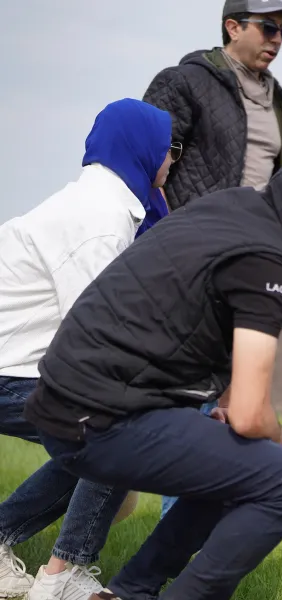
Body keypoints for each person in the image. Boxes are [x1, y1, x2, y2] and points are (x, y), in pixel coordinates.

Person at [23, 132, 282, 600]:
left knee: (240, 462)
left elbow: (216, 354)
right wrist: (272, 433)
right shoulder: (265, 257)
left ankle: (129, 592)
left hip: (68, 404)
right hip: (100, 417)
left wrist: (238, 417)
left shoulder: (235, 211)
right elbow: (252, 415)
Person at [0, 98, 176, 599]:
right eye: (170, 150)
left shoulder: (102, 202)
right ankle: (65, 575)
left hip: (18, 363)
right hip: (8, 370)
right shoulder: (99, 220)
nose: (172, 161)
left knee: (97, 439)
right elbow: (99, 337)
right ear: (145, 150)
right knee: (121, 428)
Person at [142, 0, 282, 301]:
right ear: (233, 28)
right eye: (268, 28)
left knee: (239, 347)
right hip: (185, 259)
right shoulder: (184, 83)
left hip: (253, 258)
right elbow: (144, 168)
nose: (276, 39)